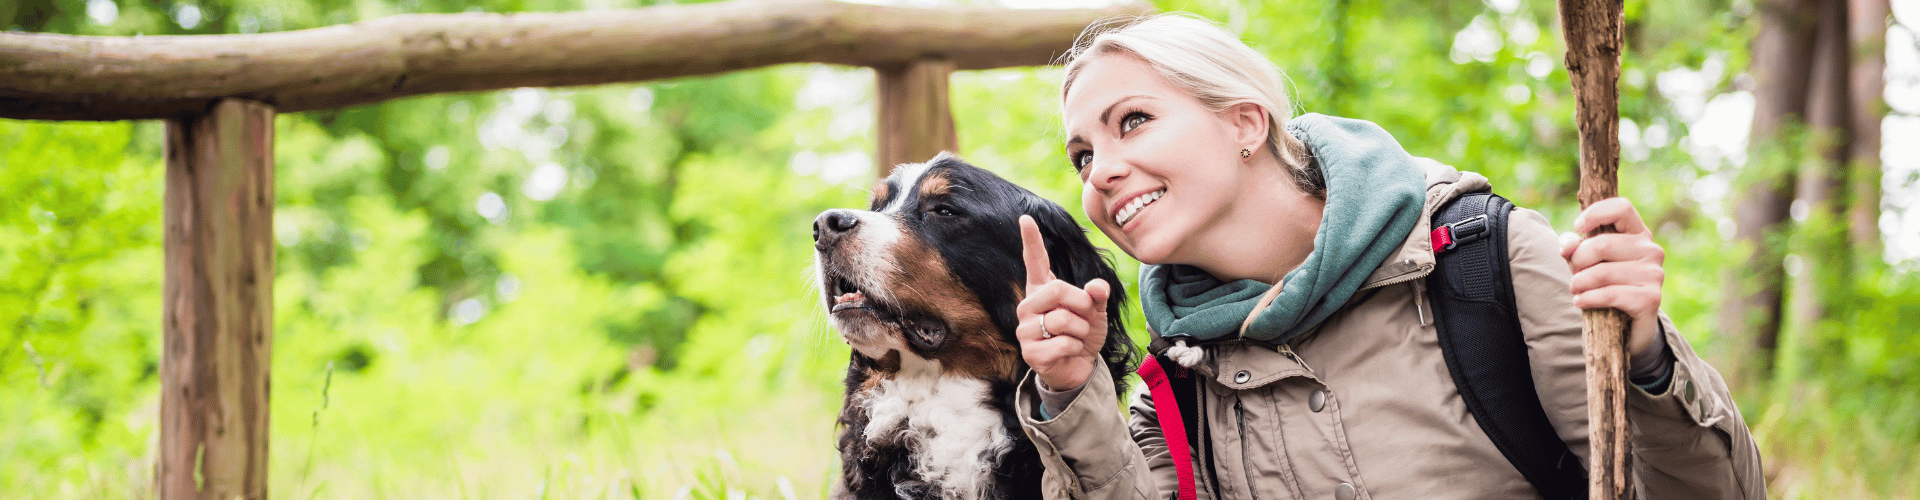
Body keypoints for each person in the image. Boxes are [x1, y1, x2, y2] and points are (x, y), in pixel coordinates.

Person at [1010, 13, 1765, 500]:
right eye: (1081, 155)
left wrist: (1646, 361)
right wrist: (1073, 398)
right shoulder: (1174, 380)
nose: (1100, 171)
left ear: (1245, 122)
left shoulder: (1487, 261)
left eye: (1132, 121)